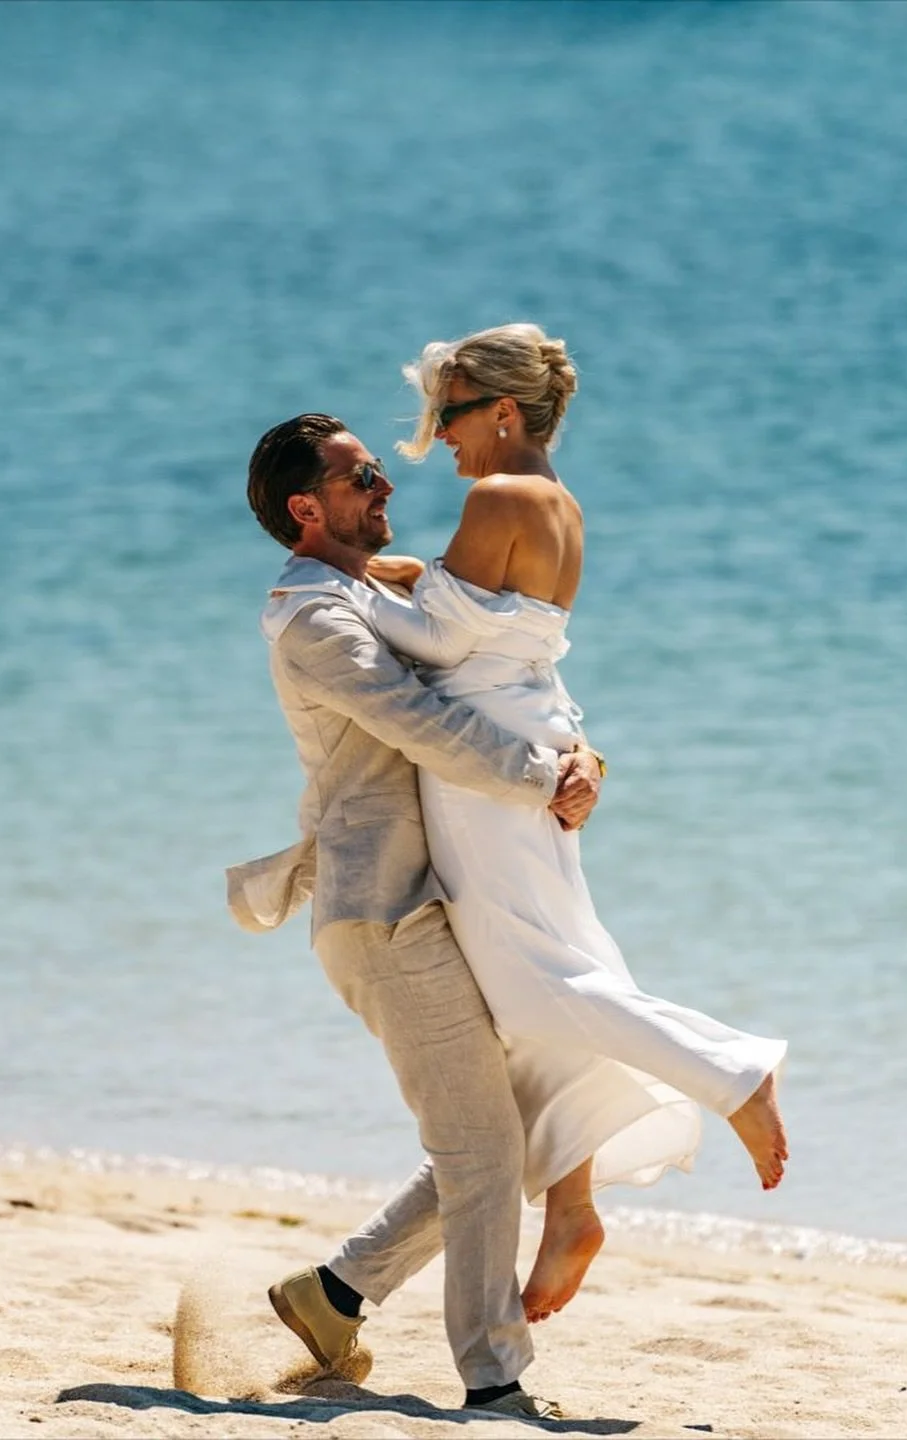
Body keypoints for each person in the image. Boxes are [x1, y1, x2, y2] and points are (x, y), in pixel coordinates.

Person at [358, 322, 789, 1325]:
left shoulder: (498, 496)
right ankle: (573, 1205)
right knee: (553, 970)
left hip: (491, 777)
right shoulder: (557, 503)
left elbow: (433, 643)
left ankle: (735, 1073)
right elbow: (507, 642)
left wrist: (335, 571)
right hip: (535, 747)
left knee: (532, 982)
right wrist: (583, 751)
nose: (439, 435)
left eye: (448, 414)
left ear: (501, 412)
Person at [228, 412, 605, 1421]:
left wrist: (579, 754)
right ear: (307, 508)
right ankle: (494, 1381)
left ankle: (337, 1293)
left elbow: (499, 666)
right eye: (360, 479)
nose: (384, 487)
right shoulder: (312, 617)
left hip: (437, 899)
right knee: (482, 1149)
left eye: (379, 473)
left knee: (503, 1133)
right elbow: (423, 723)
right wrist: (543, 777)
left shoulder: (370, 588)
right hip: (380, 909)